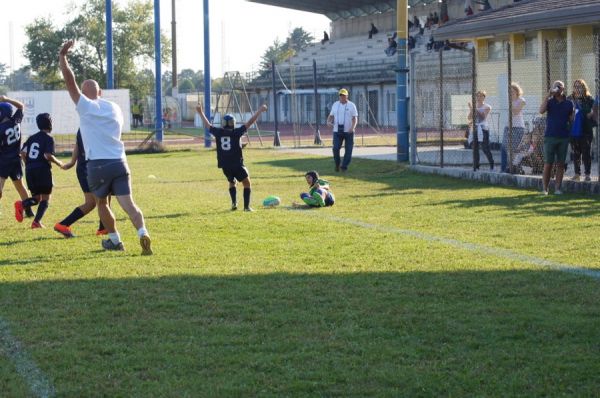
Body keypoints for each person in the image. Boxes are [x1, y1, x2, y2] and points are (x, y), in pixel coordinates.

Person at [59, 40, 152, 254]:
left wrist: (63, 57)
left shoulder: (85, 107)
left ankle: (115, 240)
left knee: (102, 203)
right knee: (129, 204)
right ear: (100, 92)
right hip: (120, 161)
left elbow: (69, 81)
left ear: (83, 95)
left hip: (97, 164)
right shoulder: (114, 108)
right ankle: (142, 232)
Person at [196, 103, 267, 212]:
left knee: (232, 181)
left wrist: (200, 112)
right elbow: (250, 122)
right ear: (233, 123)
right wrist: (260, 110)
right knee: (247, 183)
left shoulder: (218, 132)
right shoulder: (237, 132)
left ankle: (234, 203)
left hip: (225, 165)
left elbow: (208, 125)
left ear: (223, 124)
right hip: (236, 164)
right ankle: (247, 207)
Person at [53, 129, 107, 238]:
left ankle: (63, 225)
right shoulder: (97, 124)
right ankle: (103, 228)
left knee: (91, 202)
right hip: (92, 167)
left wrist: (72, 162)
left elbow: (78, 144)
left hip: (83, 167)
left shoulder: (83, 125)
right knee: (102, 198)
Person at [16, 113, 64, 228]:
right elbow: (47, 155)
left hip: (30, 170)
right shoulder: (48, 138)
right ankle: (35, 220)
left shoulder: (31, 138)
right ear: (50, 124)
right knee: (46, 197)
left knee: (37, 198)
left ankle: (24, 206)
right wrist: (59, 163)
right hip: (42, 170)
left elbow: (22, 153)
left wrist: (28, 164)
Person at [0, 96, 35, 219]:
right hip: (16, 160)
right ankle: (29, 211)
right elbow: (21, 106)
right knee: (20, 186)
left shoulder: (1, 128)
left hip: (4, 161)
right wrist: (6, 99)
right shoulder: (16, 120)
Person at [539, 80, 574, 195]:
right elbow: (541, 111)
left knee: (561, 164)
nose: (557, 89)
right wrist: (547, 95)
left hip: (563, 137)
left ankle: (558, 189)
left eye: (559, 87)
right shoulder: (549, 101)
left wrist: (570, 128)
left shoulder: (569, 103)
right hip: (550, 137)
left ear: (563, 89)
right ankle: (545, 189)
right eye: (555, 87)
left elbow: (571, 119)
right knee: (548, 163)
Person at [567, 79, 595, 182]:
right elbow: (566, 113)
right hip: (574, 130)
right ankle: (577, 174)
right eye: (575, 86)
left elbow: (595, 109)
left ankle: (587, 174)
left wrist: (591, 113)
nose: (577, 88)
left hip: (586, 130)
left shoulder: (589, 99)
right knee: (575, 153)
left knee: (586, 152)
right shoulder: (570, 99)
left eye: (580, 86)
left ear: (584, 88)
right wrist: (571, 115)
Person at [328, 88, 358, 172]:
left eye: (344, 95)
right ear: (339, 96)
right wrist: (328, 121)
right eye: (341, 95)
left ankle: (344, 166)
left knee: (348, 150)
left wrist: (352, 127)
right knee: (335, 148)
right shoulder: (335, 104)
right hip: (337, 131)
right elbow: (331, 115)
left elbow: (355, 118)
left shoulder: (351, 105)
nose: (342, 97)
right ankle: (337, 164)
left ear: (347, 96)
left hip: (348, 131)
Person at [501, 82, 526, 173]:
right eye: (509, 92)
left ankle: (514, 168)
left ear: (517, 91)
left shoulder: (521, 100)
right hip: (508, 127)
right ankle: (503, 168)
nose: (510, 93)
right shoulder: (509, 101)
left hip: (518, 127)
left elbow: (516, 112)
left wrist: (511, 103)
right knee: (503, 147)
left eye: (512, 91)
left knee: (514, 148)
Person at [467, 91, 494, 171]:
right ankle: (476, 166)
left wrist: (473, 108)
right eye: (477, 96)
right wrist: (471, 109)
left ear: (484, 97)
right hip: (475, 128)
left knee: (485, 147)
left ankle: (491, 163)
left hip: (483, 129)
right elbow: (469, 117)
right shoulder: (474, 106)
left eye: (481, 96)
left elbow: (482, 117)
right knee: (475, 147)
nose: (479, 98)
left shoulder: (487, 107)